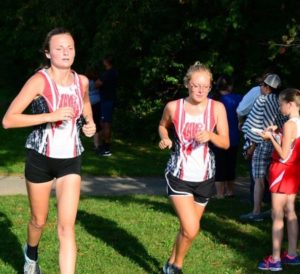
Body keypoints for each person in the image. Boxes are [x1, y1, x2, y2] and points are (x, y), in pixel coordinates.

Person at [2, 28, 96, 274]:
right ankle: (31, 254)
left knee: (66, 227)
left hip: (71, 160)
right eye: (59, 48)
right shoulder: (39, 81)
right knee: (39, 220)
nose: (65, 52)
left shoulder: (82, 81)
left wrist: (89, 122)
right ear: (48, 53)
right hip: (40, 159)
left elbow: (85, 103)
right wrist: (51, 115)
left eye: (70, 47)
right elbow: (8, 120)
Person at [158, 62, 229, 274]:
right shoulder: (173, 107)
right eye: (196, 85)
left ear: (210, 87)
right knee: (191, 228)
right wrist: (165, 138)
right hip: (179, 175)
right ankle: (177, 267)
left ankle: (169, 265)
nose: (200, 90)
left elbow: (225, 142)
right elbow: (163, 125)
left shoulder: (217, 108)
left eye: (205, 86)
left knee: (187, 230)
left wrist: (211, 135)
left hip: (205, 177)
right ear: (188, 84)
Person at [257, 88, 300, 271]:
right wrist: (277, 134)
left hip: (282, 170)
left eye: (281, 104)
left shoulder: (290, 124)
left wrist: (270, 138)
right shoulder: (296, 123)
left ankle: (275, 260)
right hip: (293, 171)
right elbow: (291, 146)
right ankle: (291, 254)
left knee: (277, 215)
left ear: (290, 104)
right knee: (290, 212)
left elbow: (283, 153)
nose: (280, 108)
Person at [240, 74, 286, 222]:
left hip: (261, 144)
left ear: (266, 87)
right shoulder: (280, 102)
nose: (261, 88)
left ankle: (256, 211)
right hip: (276, 144)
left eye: (262, 85)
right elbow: (282, 124)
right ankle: (275, 210)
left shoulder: (262, 100)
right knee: (271, 178)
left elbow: (256, 126)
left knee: (259, 178)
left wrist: (251, 148)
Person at [211, 75, 242, 199]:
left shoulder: (212, 99)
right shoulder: (238, 99)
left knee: (219, 165)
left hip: (217, 137)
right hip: (233, 137)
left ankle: (220, 193)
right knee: (230, 164)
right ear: (230, 86)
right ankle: (230, 191)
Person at [98, 55, 118, 156]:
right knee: (105, 123)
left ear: (106, 62)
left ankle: (106, 149)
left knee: (105, 124)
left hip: (106, 100)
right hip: (110, 99)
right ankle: (104, 146)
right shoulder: (114, 72)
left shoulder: (107, 73)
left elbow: (98, 84)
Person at [85, 66, 102, 150]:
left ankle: (96, 144)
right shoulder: (97, 81)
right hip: (97, 102)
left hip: (90, 103)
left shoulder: (86, 81)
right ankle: (97, 143)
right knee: (98, 123)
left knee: (94, 123)